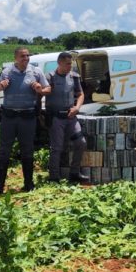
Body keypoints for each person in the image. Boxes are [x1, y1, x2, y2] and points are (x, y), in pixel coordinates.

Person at [0, 47, 50, 195]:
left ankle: (28, 184)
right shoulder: (6, 72)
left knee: (27, 150)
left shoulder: (36, 72)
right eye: (23, 56)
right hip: (9, 117)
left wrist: (40, 89)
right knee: (4, 151)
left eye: (28, 56)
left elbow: (48, 88)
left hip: (27, 117)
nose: (26, 58)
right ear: (15, 57)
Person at [46, 52, 88, 183]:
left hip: (71, 117)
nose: (70, 66)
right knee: (57, 148)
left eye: (71, 63)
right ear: (59, 63)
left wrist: (77, 107)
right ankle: (54, 176)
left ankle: (74, 173)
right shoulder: (50, 77)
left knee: (81, 143)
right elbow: (40, 94)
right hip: (56, 118)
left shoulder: (74, 77)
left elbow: (80, 94)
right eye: (68, 64)